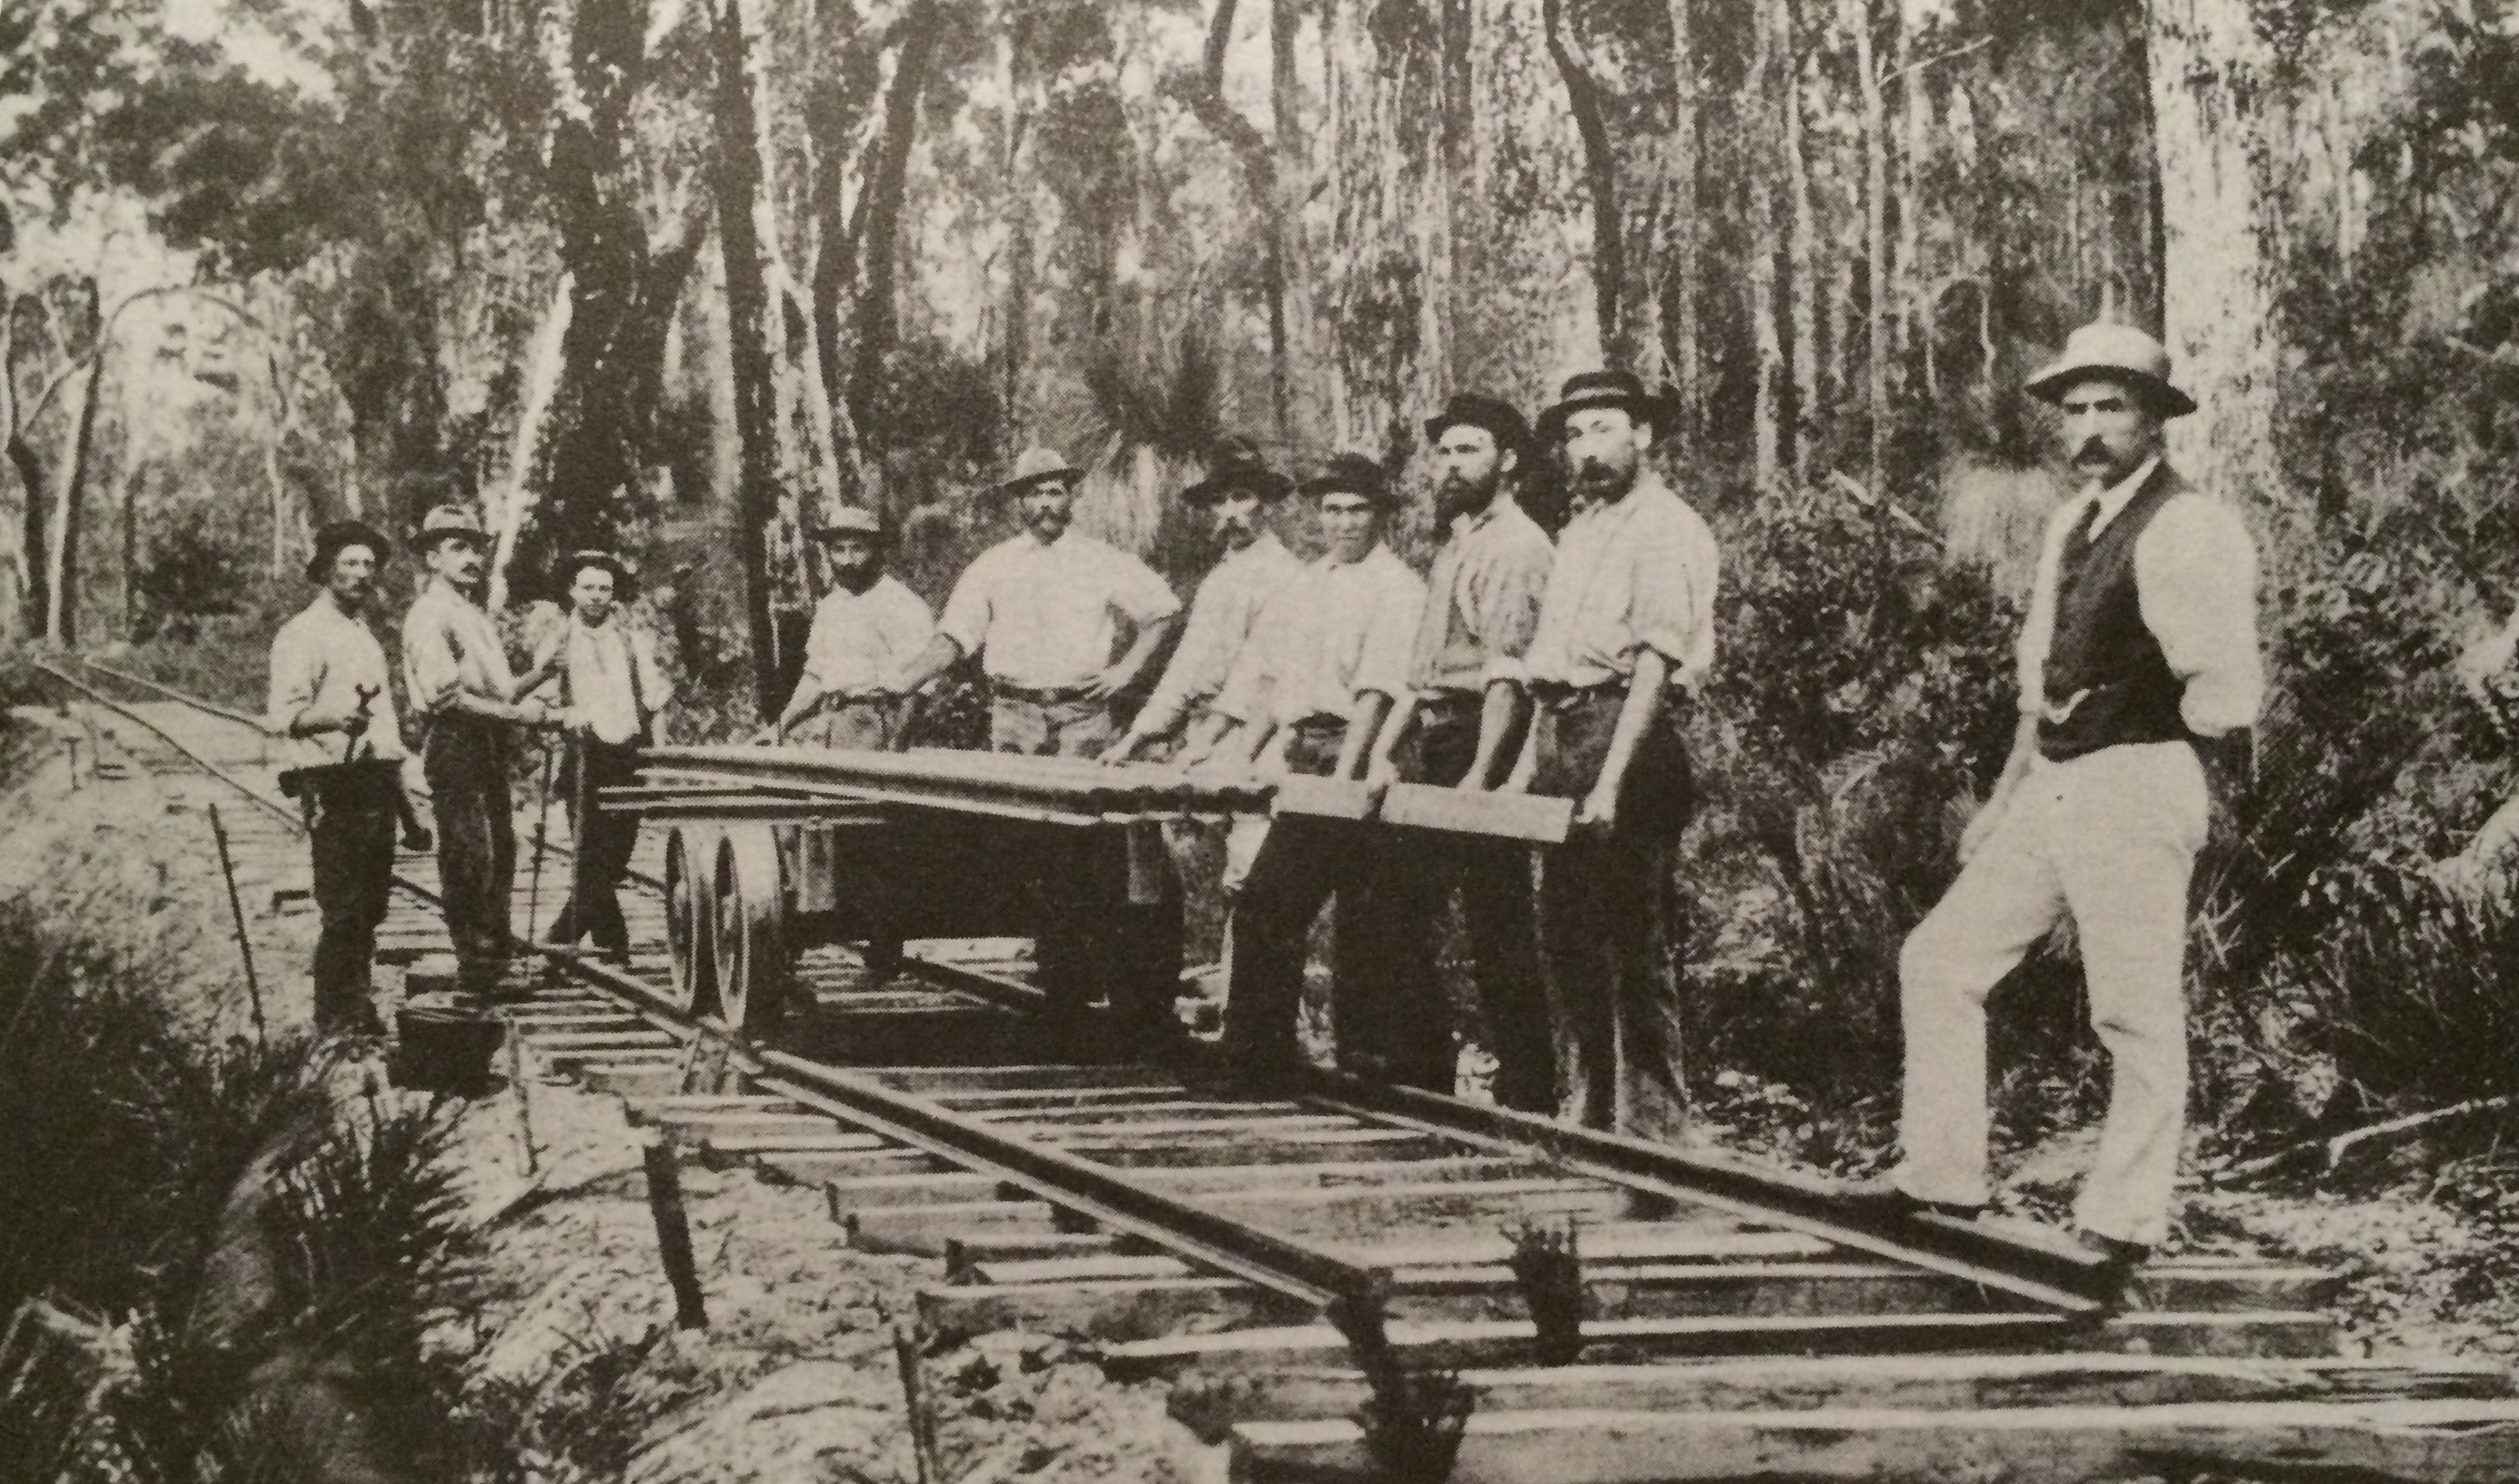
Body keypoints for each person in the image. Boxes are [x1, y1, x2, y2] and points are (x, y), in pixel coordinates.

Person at [1858, 322, 2261, 1298]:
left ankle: (2122, 1221)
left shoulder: (2185, 525)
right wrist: (2003, 801)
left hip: (2138, 776)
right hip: (2059, 780)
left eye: (2111, 407)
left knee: (2131, 1008)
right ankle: (1942, 1176)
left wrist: (2172, 747)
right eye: (2075, 408)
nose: (2088, 428)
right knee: (1941, 959)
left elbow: (2226, 691)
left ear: (2154, 420)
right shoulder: (2071, 525)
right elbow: (2041, 687)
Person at [1489, 369, 1718, 1142]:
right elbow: (1550, 662)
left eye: (1604, 430)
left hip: (1627, 733)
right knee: (1567, 934)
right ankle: (1588, 1108)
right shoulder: (1581, 530)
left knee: (1632, 940)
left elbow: (1655, 660)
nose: (1587, 449)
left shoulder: (1667, 527)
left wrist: (1612, 779)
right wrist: (1526, 768)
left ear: (1643, 435)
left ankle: (1655, 1128)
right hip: (1565, 730)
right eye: (1575, 434)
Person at [1360, 392, 1558, 1111]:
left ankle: (1528, 1090)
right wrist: (1387, 750)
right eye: (1442, 452)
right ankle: (1424, 1073)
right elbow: (1422, 672)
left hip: (1486, 736)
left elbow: (1510, 672)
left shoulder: (1517, 544)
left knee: (1495, 915)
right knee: (1399, 902)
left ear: (1507, 462)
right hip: (1441, 737)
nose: (1448, 464)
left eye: (1466, 449)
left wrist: (1481, 776)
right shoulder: (1458, 542)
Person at [1220, 452, 1426, 1091]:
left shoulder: (1398, 587)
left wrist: (1345, 776)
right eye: (1332, 509)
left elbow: (1377, 691)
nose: (1343, 523)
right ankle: (1260, 1058)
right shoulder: (1308, 583)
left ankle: (1377, 1066)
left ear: (1380, 514)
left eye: (1357, 509)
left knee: (1363, 917)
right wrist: (1249, 751)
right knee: (1268, 906)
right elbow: (1278, 679)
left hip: (1359, 754)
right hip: (1306, 747)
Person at [890, 448, 1181, 758]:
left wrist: (1126, 669)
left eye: (1054, 493)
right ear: (1019, 503)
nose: (1045, 504)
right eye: (1034, 494)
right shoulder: (993, 565)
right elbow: (955, 638)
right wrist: (904, 680)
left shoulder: (1100, 559)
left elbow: (1163, 610)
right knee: (1015, 804)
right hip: (1014, 717)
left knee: (1079, 799)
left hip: (1082, 717)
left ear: (1070, 498)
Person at [401, 505, 561, 1000]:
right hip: (454, 742)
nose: (472, 558)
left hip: (485, 741)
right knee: (471, 855)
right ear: (433, 558)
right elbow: (448, 699)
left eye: (476, 548)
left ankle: (494, 959)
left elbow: (497, 693)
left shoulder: (471, 613)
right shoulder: (430, 614)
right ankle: (476, 967)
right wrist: (520, 717)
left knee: (502, 852)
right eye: (458, 548)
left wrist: (541, 674)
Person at [266, 520, 408, 1035]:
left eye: (369, 565)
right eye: (349, 563)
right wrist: (335, 720)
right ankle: (334, 1019)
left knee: (371, 905)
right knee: (343, 906)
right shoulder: (302, 633)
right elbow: (285, 715)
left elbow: (385, 723)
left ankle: (359, 1007)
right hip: (331, 780)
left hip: (374, 777)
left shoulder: (362, 632)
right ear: (326, 570)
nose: (361, 574)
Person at [1104, 435, 1303, 768]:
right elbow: (1186, 664)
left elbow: (1257, 674)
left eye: (1242, 498)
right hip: (1203, 729)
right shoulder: (1218, 578)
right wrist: (1135, 738)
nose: (1230, 512)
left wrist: (1206, 742)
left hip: (1255, 734)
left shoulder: (1286, 576)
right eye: (1220, 501)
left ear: (1266, 504)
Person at [535, 549, 671, 962]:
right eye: (588, 587)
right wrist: (561, 717)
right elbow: (540, 705)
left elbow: (655, 701)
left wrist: (659, 760)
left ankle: (576, 940)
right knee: (591, 858)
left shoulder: (632, 641)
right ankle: (603, 946)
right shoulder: (557, 641)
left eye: (605, 589)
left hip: (626, 758)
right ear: (572, 591)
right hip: (583, 759)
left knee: (614, 859)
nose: (596, 596)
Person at [765, 506, 936, 751]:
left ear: (876, 551)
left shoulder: (900, 603)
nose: (847, 561)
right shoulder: (831, 606)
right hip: (831, 721)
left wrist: (895, 749)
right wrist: (781, 725)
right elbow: (815, 675)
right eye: (839, 550)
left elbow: (921, 686)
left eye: (858, 549)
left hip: (877, 723)